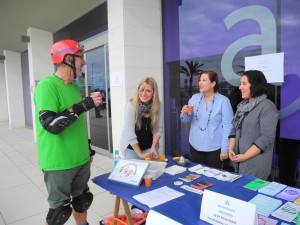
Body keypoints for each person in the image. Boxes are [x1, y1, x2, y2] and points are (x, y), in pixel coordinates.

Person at [34, 40, 102, 225]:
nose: (84, 62)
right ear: (68, 58)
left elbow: (76, 121)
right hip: (58, 162)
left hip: (80, 158)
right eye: (81, 58)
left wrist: (86, 147)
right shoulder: (47, 86)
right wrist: (83, 105)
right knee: (59, 213)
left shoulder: (73, 87)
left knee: (82, 202)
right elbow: (51, 125)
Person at [228, 70, 278, 179]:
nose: (240, 87)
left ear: (255, 85)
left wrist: (245, 156)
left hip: (255, 166)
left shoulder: (267, 106)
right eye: (240, 84)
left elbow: (266, 138)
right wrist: (231, 148)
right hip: (239, 163)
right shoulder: (242, 106)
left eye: (244, 84)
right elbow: (234, 129)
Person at [180, 70, 234, 169]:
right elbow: (186, 119)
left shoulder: (223, 101)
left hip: (215, 148)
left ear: (213, 83)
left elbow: (228, 127)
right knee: (197, 176)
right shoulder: (194, 98)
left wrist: (224, 149)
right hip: (195, 146)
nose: (200, 82)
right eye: (200, 80)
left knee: (213, 178)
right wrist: (184, 113)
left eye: (204, 80)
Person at [119, 77, 163, 160]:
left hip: (150, 146)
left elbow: (158, 129)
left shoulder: (158, 105)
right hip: (132, 148)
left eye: (148, 91)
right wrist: (140, 154)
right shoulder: (131, 105)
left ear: (154, 92)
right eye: (141, 90)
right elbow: (130, 134)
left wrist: (154, 147)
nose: (144, 94)